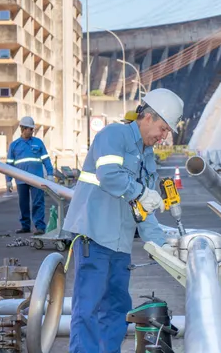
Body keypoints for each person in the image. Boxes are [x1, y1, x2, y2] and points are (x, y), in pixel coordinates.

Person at [62, 88, 184, 353]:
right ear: (148, 117)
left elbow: (144, 209)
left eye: (167, 132)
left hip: (119, 243)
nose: (163, 136)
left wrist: (162, 247)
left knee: (117, 307)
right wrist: (142, 192)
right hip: (94, 236)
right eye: (163, 129)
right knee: (89, 307)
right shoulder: (113, 135)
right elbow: (110, 176)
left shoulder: (148, 157)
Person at [5, 116, 54, 235]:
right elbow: (9, 165)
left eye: (33, 129)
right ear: (23, 128)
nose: (32, 131)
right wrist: (8, 180)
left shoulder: (38, 143)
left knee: (38, 202)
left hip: (37, 179)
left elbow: (46, 160)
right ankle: (25, 226)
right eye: (30, 129)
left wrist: (50, 174)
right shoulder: (14, 145)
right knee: (23, 203)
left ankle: (40, 227)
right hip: (21, 180)